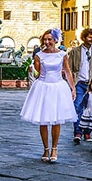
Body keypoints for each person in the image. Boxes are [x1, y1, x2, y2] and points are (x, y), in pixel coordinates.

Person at [20, 29, 77, 163]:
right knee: (43, 119)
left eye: (49, 39)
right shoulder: (39, 55)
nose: (47, 42)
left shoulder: (62, 55)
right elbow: (37, 73)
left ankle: (55, 148)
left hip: (58, 87)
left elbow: (67, 71)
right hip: (44, 86)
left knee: (57, 119)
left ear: (55, 40)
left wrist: (73, 88)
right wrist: (32, 70)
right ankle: (46, 148)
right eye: (45, 40)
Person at [67, 28, 92, 143]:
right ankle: (78, 132)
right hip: (79, 83)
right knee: (77, 107)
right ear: (84, 38)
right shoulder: (75, 51)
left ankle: (87, 133)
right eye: (89, 37)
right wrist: (71, 84)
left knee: (91, 109)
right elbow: (70, 68)